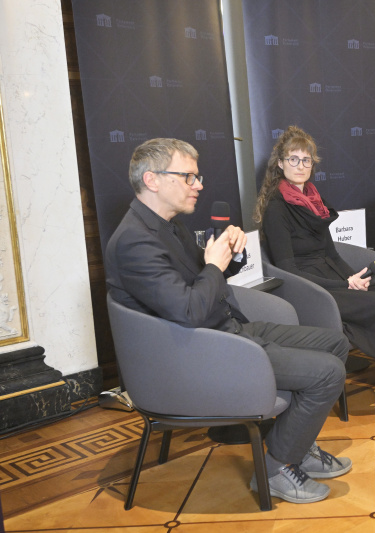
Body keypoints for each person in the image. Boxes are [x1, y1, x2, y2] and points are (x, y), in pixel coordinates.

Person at [105, 138, 353, 505]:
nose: (198, 185)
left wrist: (230, 256)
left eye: (197, 176)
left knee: (335, 342)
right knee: (329, 372)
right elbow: (188, 310)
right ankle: (277, 467)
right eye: (188, 177)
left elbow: (206, 280)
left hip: (226, 330)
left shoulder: (168, 226)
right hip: (200, 353)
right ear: (152, 180)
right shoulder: (134, 242)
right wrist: (213, 264)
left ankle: (297, 445)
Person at [255, 127, 375, 423]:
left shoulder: (313, 199)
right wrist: (343, 283)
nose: (300, 166)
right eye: (293, 159)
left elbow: (332, 254)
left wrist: (355, 277)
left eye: (306, 160)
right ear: (280, 163)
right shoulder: (276, 208)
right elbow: (289, 271)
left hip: (336, 279)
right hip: (313, 290)